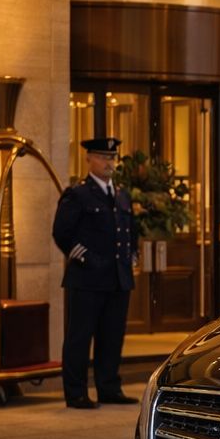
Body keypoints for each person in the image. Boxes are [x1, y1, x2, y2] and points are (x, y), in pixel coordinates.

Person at [53, 137, 138, 408]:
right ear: (88, 159)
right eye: (102, 157)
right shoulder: (78, 194)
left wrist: (131, 258)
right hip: (87, 278)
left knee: (112, 337)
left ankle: (109, 387)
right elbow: (62, 234)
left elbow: (130, 231)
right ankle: (76, 392)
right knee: (80, 337)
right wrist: (86, 259)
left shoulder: (122, 193)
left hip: (117, 278)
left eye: (112, 158)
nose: (108, 162)